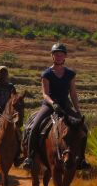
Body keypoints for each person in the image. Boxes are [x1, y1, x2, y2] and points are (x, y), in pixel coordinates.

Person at [22, 43, 89, 171]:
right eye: (56, 54)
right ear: (52, 56)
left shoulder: (70, 74)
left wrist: (77, 110)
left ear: (65, 57)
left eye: (61, 54)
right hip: (49, 105)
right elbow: (45, 94)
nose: (58, 57)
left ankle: (82, 159)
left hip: (65, 104)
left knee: (83, 129)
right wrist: (53, 104)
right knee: (34, 127)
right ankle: (29, 158)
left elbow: (73, 93)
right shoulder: (46, 74)